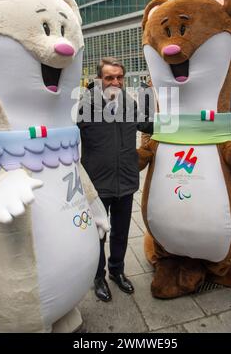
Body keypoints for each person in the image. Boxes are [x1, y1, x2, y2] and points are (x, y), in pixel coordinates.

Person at [77, 57, 153, 302]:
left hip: (126, 181)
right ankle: (97, 276)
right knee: (97, 235)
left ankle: (117, 272)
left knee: (121, 232)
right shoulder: (84, 105)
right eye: (109, 77)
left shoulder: (129, 104)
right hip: (97, 185)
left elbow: (149, 124)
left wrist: (153, 94)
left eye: (119, 77)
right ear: (100, 80)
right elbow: (64, 134)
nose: (115, 82)